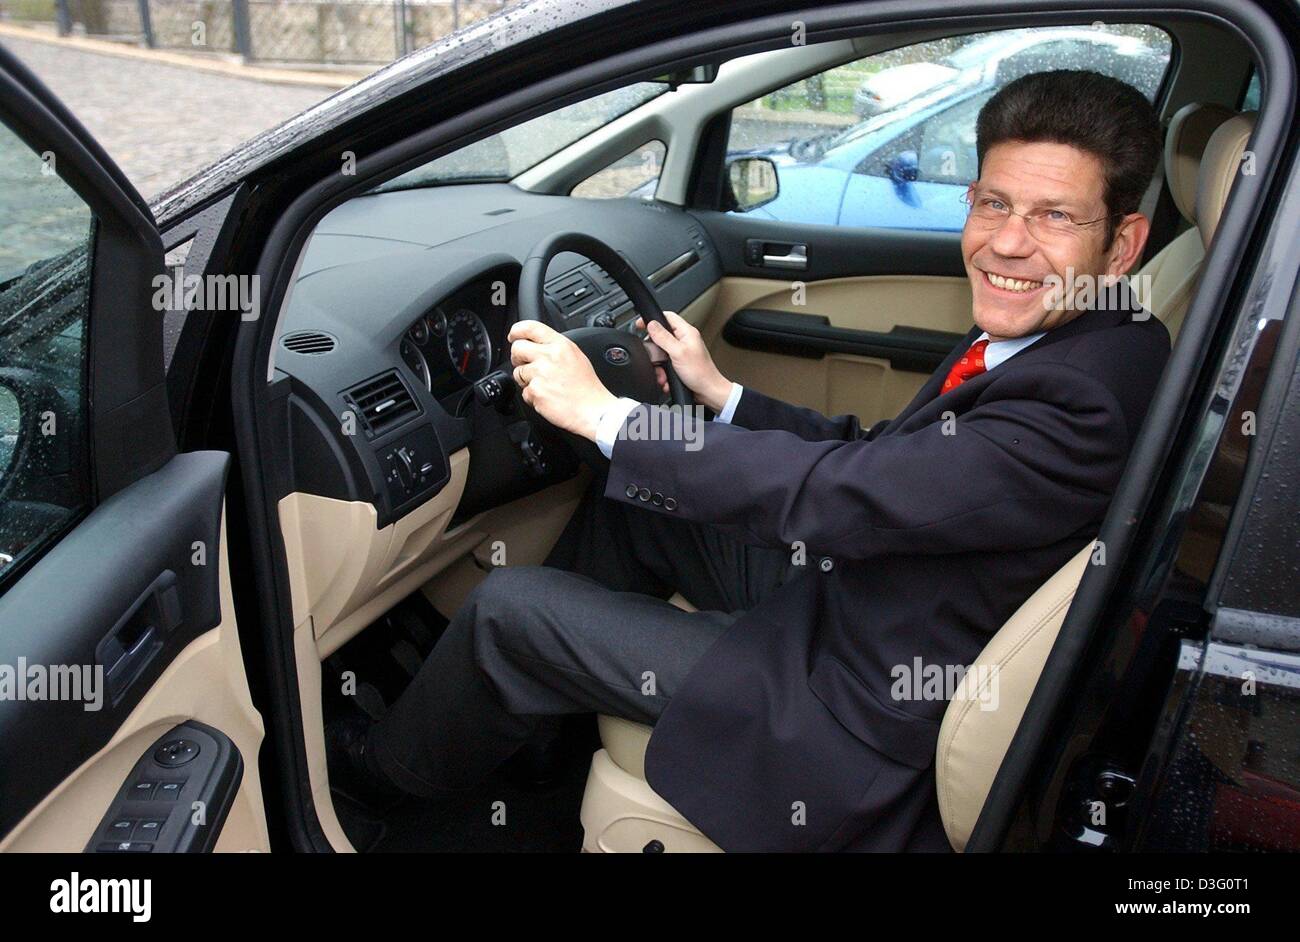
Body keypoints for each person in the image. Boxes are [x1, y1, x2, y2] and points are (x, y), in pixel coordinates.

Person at [333, 70, 1171, 851]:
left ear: (1123, 243)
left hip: (849, 714)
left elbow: (847, 495)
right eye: (992, 202)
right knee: (635, 503)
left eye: (1055, 217)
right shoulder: (1097, 337)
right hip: (874, 599)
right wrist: (721, 393)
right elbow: (887, 465)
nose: (1008, 243)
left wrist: (610, 416)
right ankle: (538, 732)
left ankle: (376, 788)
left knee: (508, 608)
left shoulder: (1078, 404)